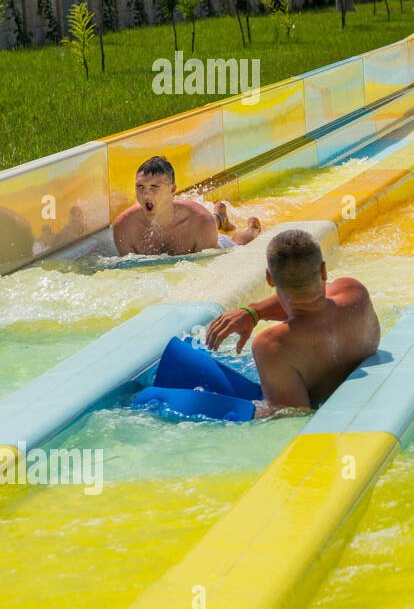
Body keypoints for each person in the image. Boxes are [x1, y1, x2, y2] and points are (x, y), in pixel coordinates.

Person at [198, 229, 381, 416]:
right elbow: (314, 299)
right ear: (323, 271)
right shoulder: (354, 293)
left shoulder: (273, 345)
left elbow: (292, 416)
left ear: (269, 278)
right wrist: (253, 312)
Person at [111, 156, 261, 255]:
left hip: (213, 240)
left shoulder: (200, 220)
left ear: (172, 189)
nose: (146, 195)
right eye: (140, 187)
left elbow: (208, 271)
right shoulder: (124, 227)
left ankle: (252, 229)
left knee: (238, 245)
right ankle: (220, 218)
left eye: (154, 187)